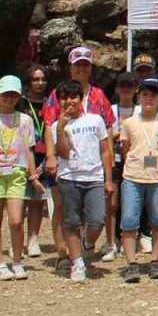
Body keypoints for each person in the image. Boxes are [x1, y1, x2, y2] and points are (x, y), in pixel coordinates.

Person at [42, 46, 115, 275]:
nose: (81, 68)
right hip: (66, 164)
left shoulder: (98, 95)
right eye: (77, 64)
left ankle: (82, 248)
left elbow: (109, 127)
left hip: (92, 162)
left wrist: (109, 162)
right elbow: (48, 124)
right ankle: (64, 254)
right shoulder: (58, 94)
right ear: (70, 67)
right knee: (62, 208)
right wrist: (50, 156)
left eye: (85, 64)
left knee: (95, 215)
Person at [0, 75, 43, 281]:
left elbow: (29, 150)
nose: (9, 99)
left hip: (17, 172)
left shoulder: (25, 120)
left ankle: (16, 261)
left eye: (13, 95)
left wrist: (33, 176)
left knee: (16, 221)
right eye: (5, 95)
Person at [115, 78, 158, 283]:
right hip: (133, 177)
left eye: (153, 95)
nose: (149, 99)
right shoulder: (129, 123)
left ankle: (155, 260)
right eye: (145, 95)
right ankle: (132, 263)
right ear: (138, 97)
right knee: (129, 220)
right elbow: (125, 150)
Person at [17, 64, 52, 259]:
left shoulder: (50, 103)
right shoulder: (20, 103)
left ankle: (33, 239)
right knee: (21, 201)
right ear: (28, 82)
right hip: (22, 155)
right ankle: (18, 239)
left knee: (38, 201)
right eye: (36, 79)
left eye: (43, 79)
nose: (40, 83)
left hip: (44, 156)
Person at [104, 73, 137, 261]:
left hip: (134, 159)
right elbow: (106, 135)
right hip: (114, 158)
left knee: (130, 202)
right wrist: (118, 135)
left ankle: (129, 238)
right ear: (116, 89)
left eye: (130, 86)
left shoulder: (140, 110)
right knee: (112, 203)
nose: (126, 89)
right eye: (122, 86)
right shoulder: (110, 109)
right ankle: (110, 241)